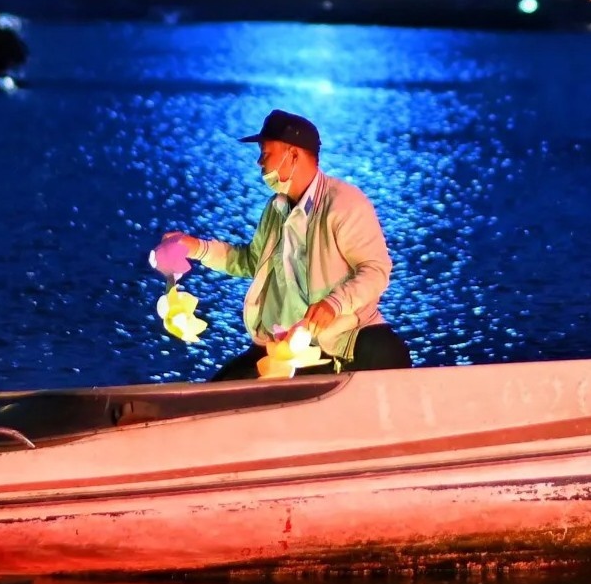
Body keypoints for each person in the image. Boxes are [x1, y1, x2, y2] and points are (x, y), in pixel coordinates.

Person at [162, 110, 411, 381]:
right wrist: (196, 247)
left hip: (336, 345)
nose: (259, 162)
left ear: (293, 155)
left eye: (265, 153)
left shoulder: (345, 203)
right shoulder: (276, 208)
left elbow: (376, 270)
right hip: (283, 345)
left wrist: (333, 305)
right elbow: (250, 261)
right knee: (220, 389)